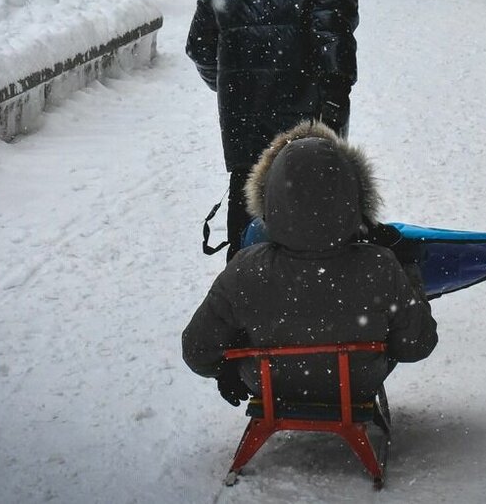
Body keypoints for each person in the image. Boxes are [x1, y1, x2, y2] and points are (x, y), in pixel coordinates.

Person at [182, 122, 439, 407]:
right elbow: (418, 344)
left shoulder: (246, 269)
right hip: (356, 383)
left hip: (270, 385)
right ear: (354, 195)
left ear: (268, 198)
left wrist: (229, 364)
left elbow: (197, 350)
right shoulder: (380, 266)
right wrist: (409, 271)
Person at [186, 0, 358, 258]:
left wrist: (236, 85)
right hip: (309, 120)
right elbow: (334, 46)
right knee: (315, 219)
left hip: (244, 123)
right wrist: (332, 113)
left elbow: (199, 47)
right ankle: (312, 304)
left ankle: (245, 299)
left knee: (248, 216)